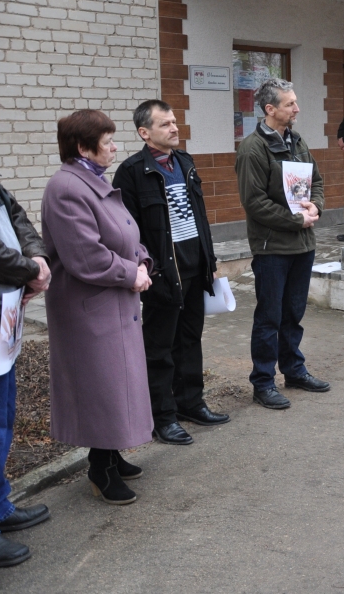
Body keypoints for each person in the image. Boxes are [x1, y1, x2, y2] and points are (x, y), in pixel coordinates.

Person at [42, 109, 154, 506]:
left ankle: (110, 454)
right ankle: (100, 469)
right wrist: (131, 273)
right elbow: (85, 256)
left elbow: (126, 234)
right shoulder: (67, 188)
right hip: (88, 308)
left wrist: (142, 261)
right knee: (102, 388)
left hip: (112, 302)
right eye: (108, 142)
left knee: (117, 385)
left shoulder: (92, 180)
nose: (115, 148)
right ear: (82, 147)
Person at [113, 100, 229, 446]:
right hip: (163, 275)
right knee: (159, 348)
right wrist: (147, 269)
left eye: (175, 122)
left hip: (195, 268)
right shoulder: (132, 172)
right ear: (144, 133)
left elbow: (199, 217)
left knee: (190, 340)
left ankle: (191, 403)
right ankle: (163, 417)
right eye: (165, 124)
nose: (175, 128)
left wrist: (209, 261)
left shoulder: (185, 162)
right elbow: (128, 232)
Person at [236, 78, 330, 409]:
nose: (297, 109)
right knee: (269, 318)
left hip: (303, 245)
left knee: (293, 314)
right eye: (290, 104)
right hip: (272, 249)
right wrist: (295, 220)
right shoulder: (252, 149)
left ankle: (294, 370)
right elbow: (254, 203)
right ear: (270, 109)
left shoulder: (297, 141)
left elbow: (316, 181)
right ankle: (263, 382)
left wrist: (316, 206)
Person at [0, 179, 52, 566]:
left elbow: (16, 215)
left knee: (2, 416)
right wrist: (31, 269)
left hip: (5, 315)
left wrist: (37, 258)